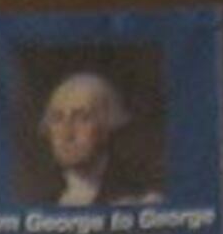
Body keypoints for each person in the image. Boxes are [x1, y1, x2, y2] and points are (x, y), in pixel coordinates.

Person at [19, 69, 157, 208]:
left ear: (107, 127)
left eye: (82, 118)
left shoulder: (143, 201)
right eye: (57, 119)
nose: (66, 134)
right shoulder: (37, 201)